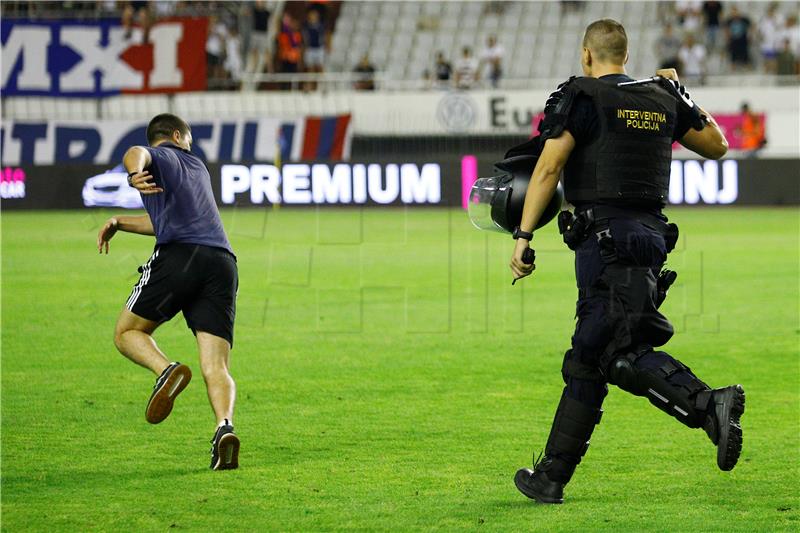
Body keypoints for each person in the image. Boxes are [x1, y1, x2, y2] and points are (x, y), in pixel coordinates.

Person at [509, 19, 743, 505]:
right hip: (650, 239)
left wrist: (523, 235)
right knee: (596, 355)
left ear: (586, 55)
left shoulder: (584, 96)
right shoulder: (662, 98)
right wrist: (682, 92)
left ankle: (707, 404)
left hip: (603, 241)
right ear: (626, 55)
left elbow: (548, 167)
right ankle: (551, 476)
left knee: (605, 353)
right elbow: (718, 146)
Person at [96, 114, 240, 471]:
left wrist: (132, 174)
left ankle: (166, 370)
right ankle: (224, 428)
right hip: (222, 262)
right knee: (216, 365)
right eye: (188, 139)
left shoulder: (163, 156)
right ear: (177, 135)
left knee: (127, 332)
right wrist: (121, 221)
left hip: (180, 257)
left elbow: (135, 153)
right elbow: (164, 219)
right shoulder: (198, 169)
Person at [301, 8, 328, 91]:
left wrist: (327, 46)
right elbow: (305, 37)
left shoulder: (321, 25)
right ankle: (309, 86)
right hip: (310, 48)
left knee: (320, 67)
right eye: (312, 15)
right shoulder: (306, 25)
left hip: (319, 48)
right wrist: (304, 48)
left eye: (314, 15)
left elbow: (325, 36)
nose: (313, 16)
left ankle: (323, 85)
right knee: (310, 68)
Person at [725, 6, 752, 71]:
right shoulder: (729, 20)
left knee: (745, 55)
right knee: (733, 55)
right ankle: (733, 69)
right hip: (733, 40)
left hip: (743, 40)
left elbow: (751, 27)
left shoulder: (744, 19)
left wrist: (750, 35)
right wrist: (727, 37)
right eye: (733, 12)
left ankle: (748, 68)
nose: (734, 13)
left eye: (735, 12)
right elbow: (726, 29)